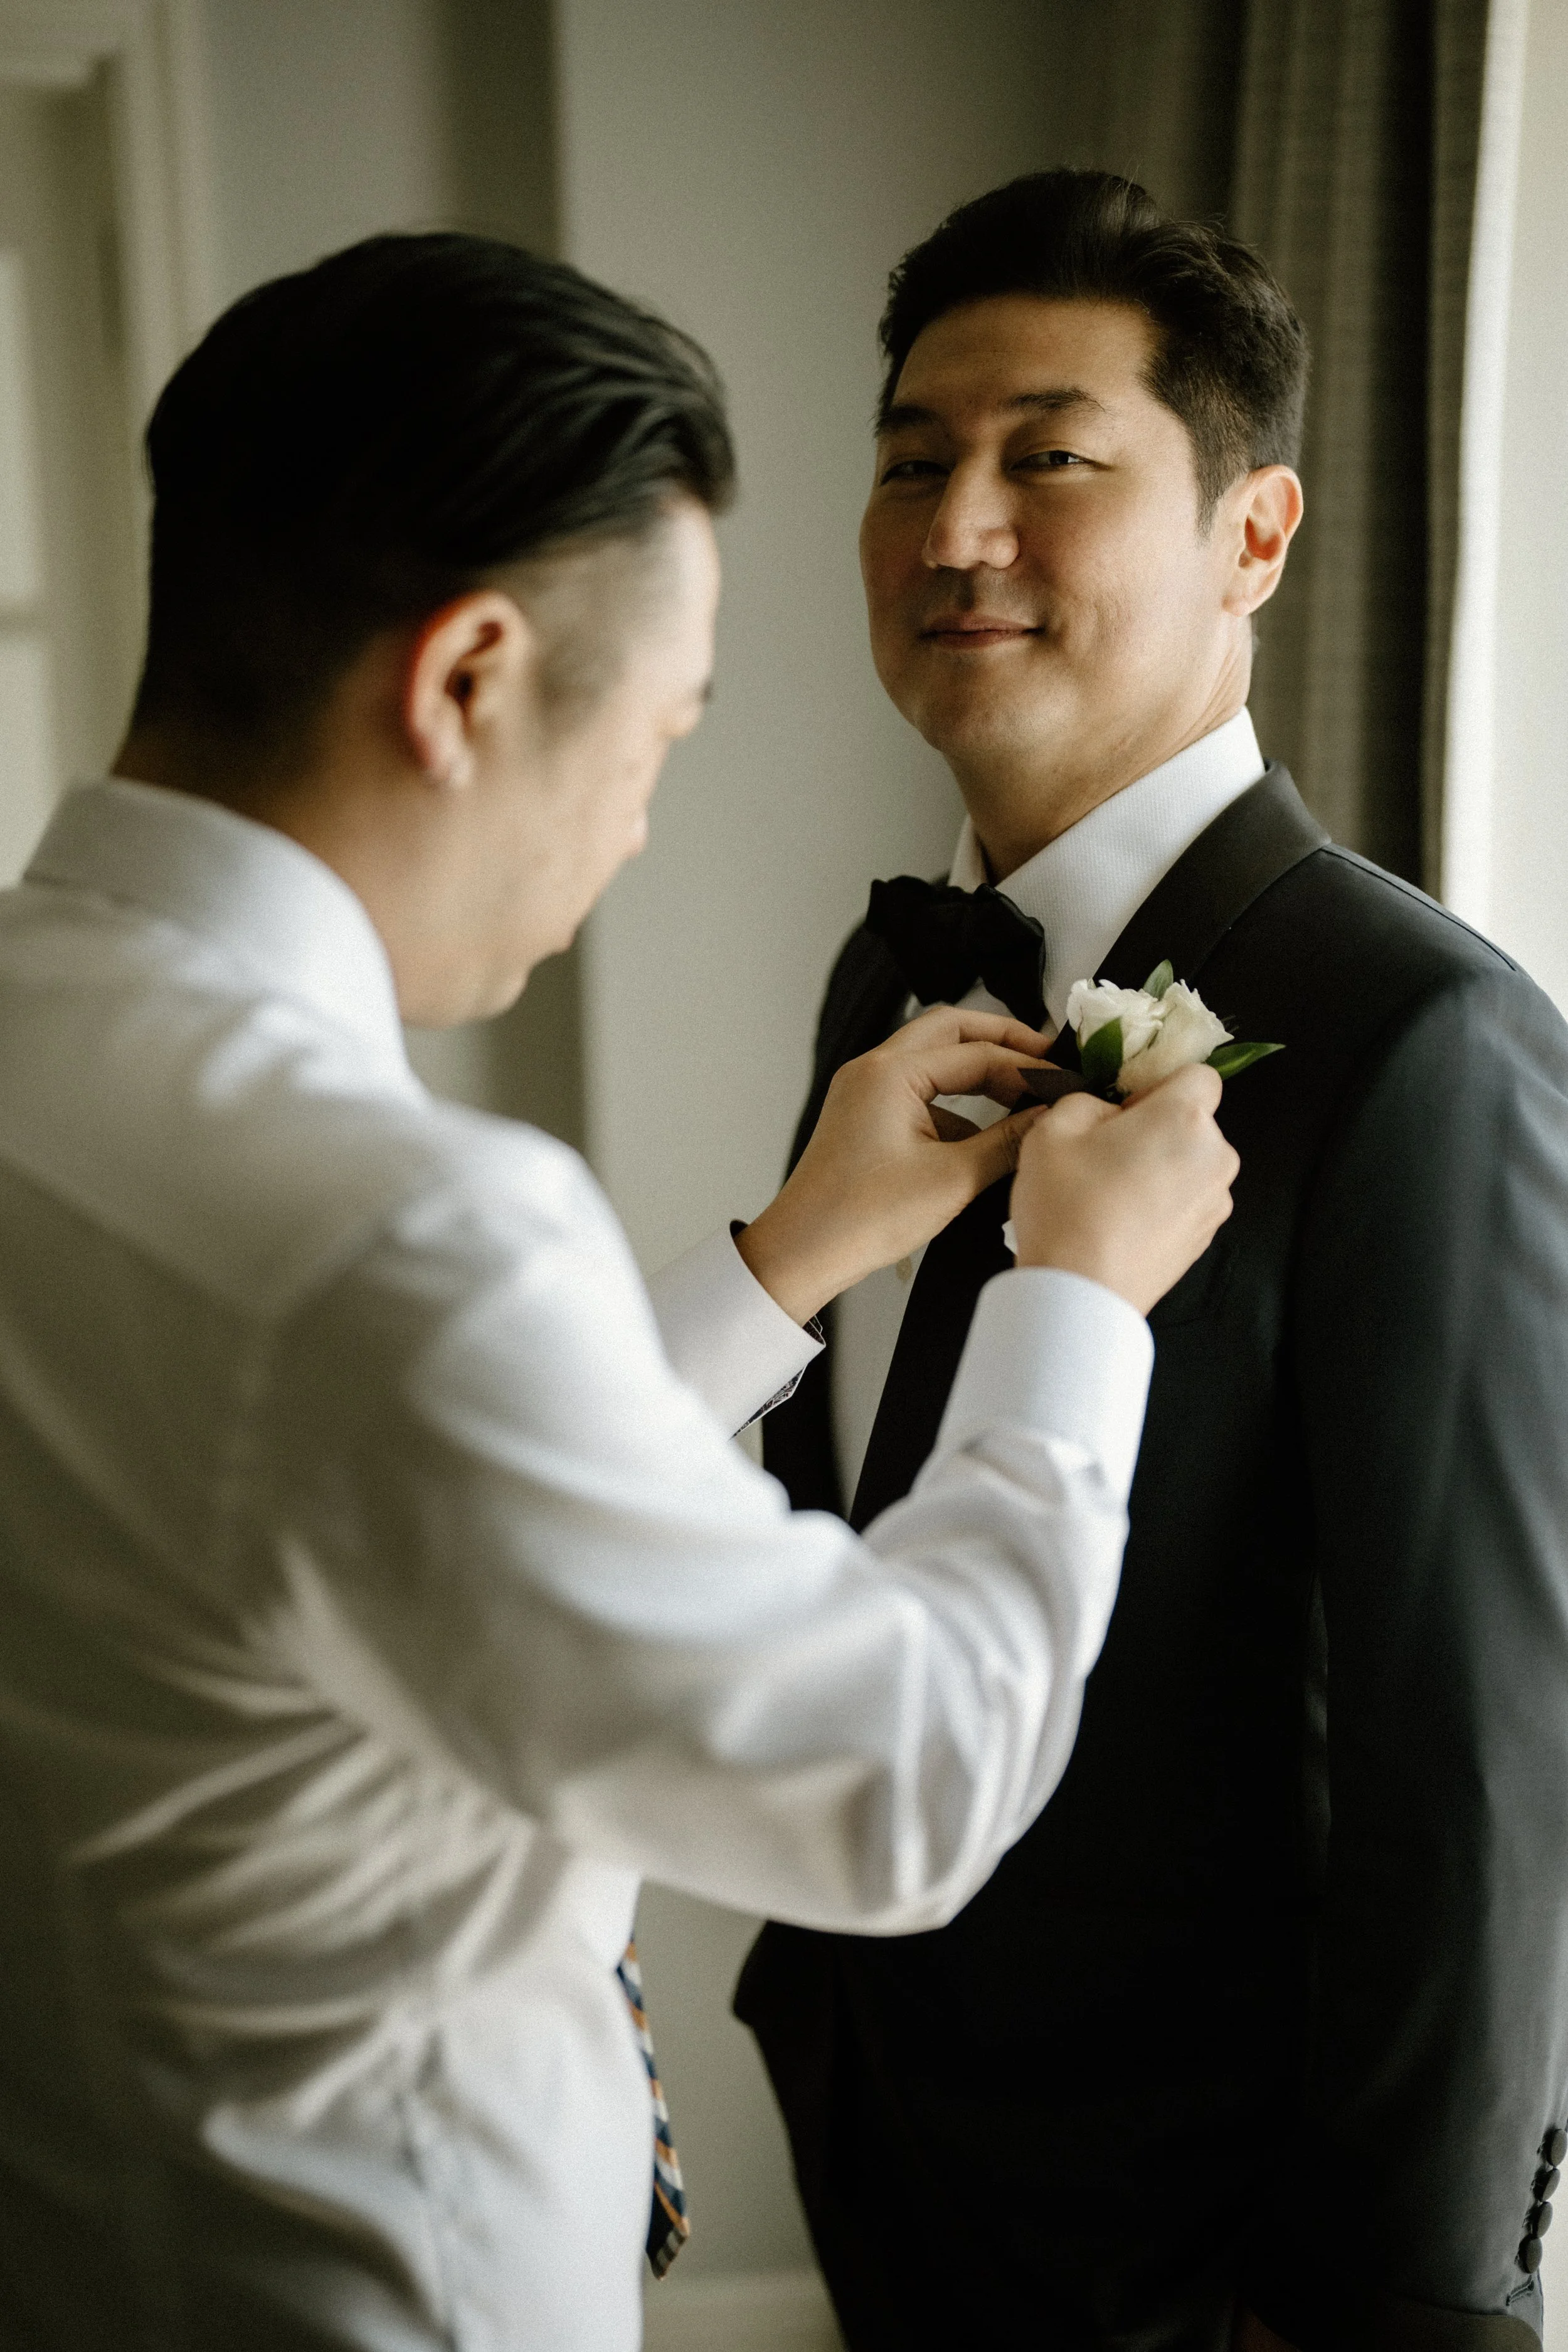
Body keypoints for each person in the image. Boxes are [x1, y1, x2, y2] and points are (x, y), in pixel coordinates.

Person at [0, 232, 1237, 2352]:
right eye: (656, 733)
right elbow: (897, 1778)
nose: (645, 820)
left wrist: (787, 1262)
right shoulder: (392, 1232)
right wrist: (1078, 1300)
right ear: (468, 678)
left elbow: (363, 1509)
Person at [739, 169, 1568, 2351]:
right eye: (912, 458)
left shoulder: (1427, 1037)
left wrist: (1396, 2306)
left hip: (1210, 2254)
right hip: (881, 2135)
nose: (953, 529)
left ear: (1255, 537)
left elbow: (1477, 1757)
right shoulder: (890, 984)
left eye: (1049, 457)